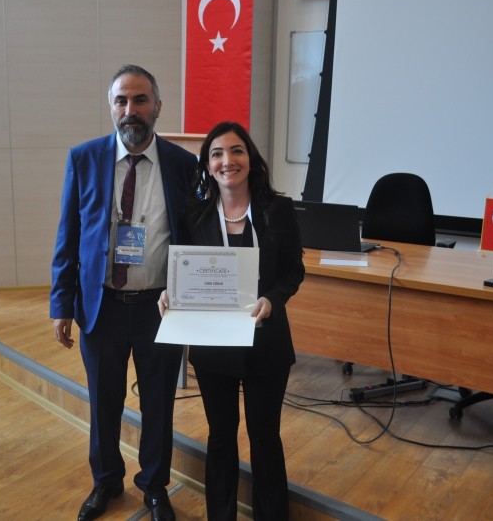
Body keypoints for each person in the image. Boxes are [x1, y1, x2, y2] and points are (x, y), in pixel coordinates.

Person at [51, 64, 197, 521]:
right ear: (111, 107)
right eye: (121, 100)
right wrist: (61, 304)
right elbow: (68, 234)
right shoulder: (84, 158)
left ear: (158, 107)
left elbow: (194, 236)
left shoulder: (183, 164)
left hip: (160, 308)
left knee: (159, 403)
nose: (130, 110)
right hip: (102, 306)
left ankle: (154, 486)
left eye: (139, 100)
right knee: (104, 402)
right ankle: (106, 482)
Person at [158, 121, 305, 520]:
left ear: (250, 158)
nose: (228, 160)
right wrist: (172, 293)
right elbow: (183, 271)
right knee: (221, 436)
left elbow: (293, 271)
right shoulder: (195, 215)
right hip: (214, 346)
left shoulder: (278, 210)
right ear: (208, 166)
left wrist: (273, 299)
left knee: (265, 437)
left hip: (266, 343)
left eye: (236, 150)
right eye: (217, 154)